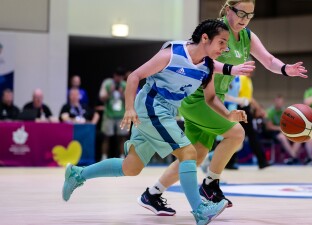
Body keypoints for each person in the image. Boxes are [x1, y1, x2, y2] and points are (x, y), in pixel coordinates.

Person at [62, 19, 254, 225]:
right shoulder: (173, 53)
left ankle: (78, 174)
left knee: (131, 167)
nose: (225, 48)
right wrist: (129, 108)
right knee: (189, 153)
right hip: (151, 106)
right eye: (222, 43)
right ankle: (200, 210)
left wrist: (228, 115)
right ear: (205, 38)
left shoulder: (206, 67)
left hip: (165, 111)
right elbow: (135, 76)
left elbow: (210, 98)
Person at [138, 0, 307, 216]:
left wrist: (285, 69)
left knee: (196, 156)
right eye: (241, 13)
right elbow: (196, 59)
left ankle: (152, 193)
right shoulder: (214, 30)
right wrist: (230, 69)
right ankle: (210, 185)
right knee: (237, 133)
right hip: (196, 95)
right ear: (229, 10)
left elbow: (268, 59)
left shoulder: (247, 36)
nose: (245, 19)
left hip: (214, 99)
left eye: (250, 15)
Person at [99, 67, 128, 160]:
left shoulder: (125, 85)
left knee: (122, 137)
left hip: (121, 115)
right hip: (109, 115)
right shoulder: (107, 83)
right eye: (117, 76)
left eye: (121, 76)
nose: (119, 78)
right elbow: (102, 98)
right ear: (114, 75)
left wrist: (122, 93)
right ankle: (103, 157)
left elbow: (131, 99)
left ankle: (122, 157)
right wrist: (110, 92)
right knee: (106, 137)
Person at [265, 95, 301, 165]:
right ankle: (294, 156)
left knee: (299, 137)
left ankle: (292, 158)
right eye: (277, 101)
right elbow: (269, 127)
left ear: (283, 103)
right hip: (272, 132)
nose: (279, 103)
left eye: (280, 102)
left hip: (284, 131)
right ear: (274, 102)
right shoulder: (269, 112)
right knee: (282, 137)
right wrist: (280, 129)